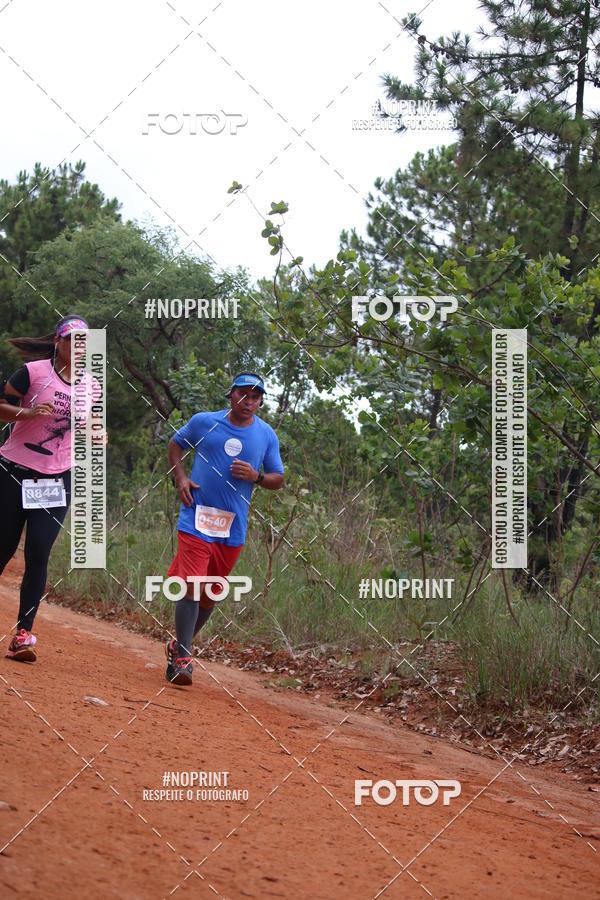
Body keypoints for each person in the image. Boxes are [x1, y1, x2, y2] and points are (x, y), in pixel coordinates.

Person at [165, 372, 284, 685]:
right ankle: (183, 658)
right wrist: (181, 477)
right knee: (192, 584)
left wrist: (256, 477)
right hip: (196, 517)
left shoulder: (266, 435)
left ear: (260, 402)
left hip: (232, 528)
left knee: (210, 594)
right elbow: (175, 446)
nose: (248, 402)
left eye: (255, 397)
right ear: (231, 395)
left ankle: (179, 646)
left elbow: (278, 479)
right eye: (243, 395)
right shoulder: (205, 422)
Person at [0, 315, 100, 661]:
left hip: (56, 478)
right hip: (13, 472)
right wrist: (25, 414)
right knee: (3, 548)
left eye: (84, 342)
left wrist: (96, 435)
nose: (78, 347)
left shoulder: (93, 386)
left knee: (38, 552)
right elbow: (1, 408)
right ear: (58, 342)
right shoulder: (32, 372)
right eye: (72, 340)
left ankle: (23, 634)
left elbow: (90, 428)